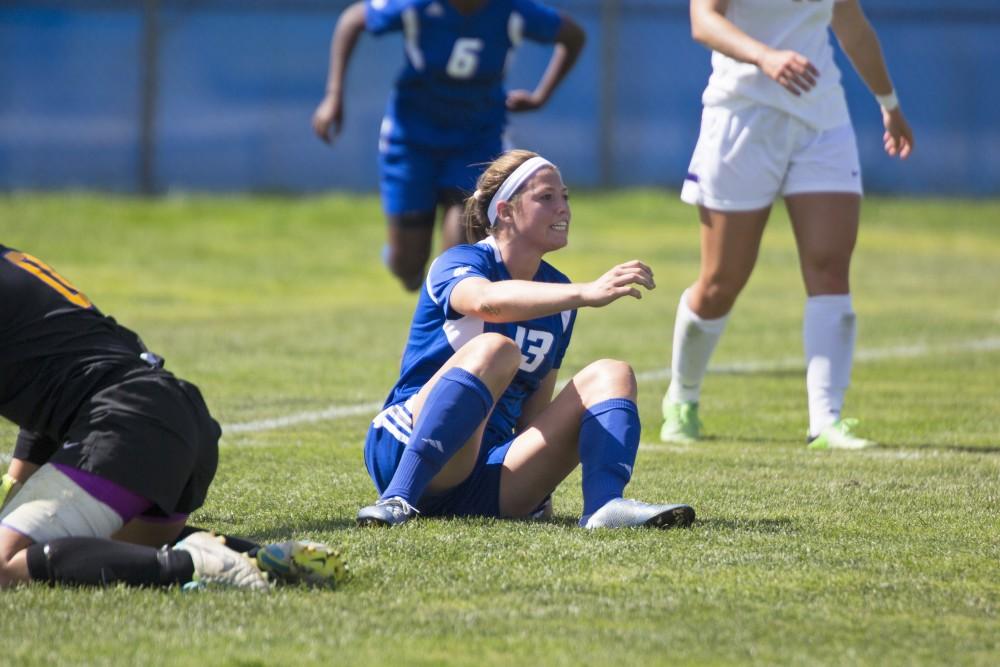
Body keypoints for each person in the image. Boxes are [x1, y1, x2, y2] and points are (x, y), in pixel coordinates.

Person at [356, 150, 696, 529]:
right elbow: (487, 302)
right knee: (498, 350)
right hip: (403, 448)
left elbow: (534, 413)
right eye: (546, 197)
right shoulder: (458, 262)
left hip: (487, 476)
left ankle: (604, 506)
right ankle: (397, 499)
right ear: (504, 211)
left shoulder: (558, 293)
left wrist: (539, 488)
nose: (563, 208)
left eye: (565, 196)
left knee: (612, 374)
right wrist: (587, 292)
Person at [0, 245, 346, 590]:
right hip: (174, 417)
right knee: (112, 546)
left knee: (4, 564)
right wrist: (17, 485)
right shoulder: (15, 268)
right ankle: (260, 559)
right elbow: (60, 359)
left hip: (126, 428)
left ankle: (194, 565)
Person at [659, 0, 914, 449]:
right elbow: (704, 21)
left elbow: (851, 26)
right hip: (741, 117)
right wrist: (765, 56)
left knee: (830, 267)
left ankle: (826, 421)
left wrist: (889, 103)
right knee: (721, 281)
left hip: (822, 120)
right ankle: (683, 398)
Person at [312, 0, 585, 291]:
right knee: (408, 263)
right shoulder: (415, 6)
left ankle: (449, 314)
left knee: (460, 246)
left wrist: (541, 96)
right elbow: (352, 20)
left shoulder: (512, 10)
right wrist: (333, 95)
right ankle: (402, 259)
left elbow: (573, 36)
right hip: (412, 137)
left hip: (477, 138)